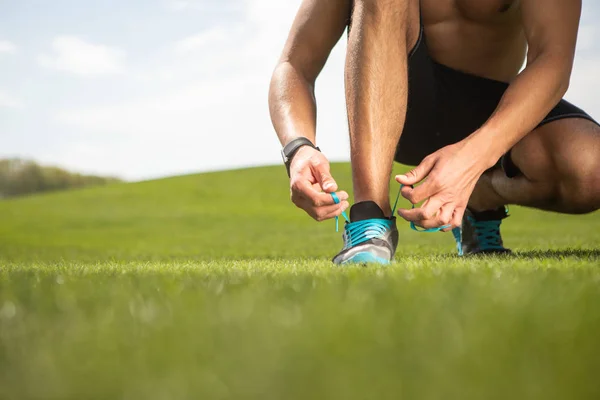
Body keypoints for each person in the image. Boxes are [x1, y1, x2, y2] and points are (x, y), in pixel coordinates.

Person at [269, 0, 600, 264]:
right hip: (395, 110)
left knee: (591, 169)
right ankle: (370, 220)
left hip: (496, 117)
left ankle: (481, 197)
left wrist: (472, 160)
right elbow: (295, 64)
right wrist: (298, 148)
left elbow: (553, 61)